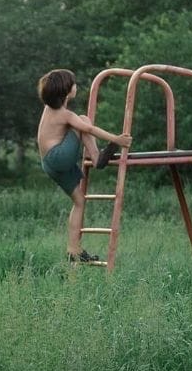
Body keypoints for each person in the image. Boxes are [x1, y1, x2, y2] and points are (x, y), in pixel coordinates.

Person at [36, 69, 131, 265]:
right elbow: (88, 129)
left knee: (79, 200)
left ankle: (73, 250)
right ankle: (97, 158)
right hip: (58, 158)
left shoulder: (48, 110)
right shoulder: (64, 114)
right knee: (84, 120)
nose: (76, 87)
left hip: (49, 163)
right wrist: (117, 139)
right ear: (66, 92)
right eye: (73, 84)